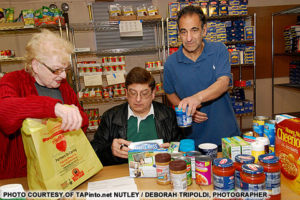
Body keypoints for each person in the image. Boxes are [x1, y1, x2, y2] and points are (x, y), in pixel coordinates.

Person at [0, 29, 89, 179]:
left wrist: (77, 117)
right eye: (56, 70)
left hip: (60, 173)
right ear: (36, 65)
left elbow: (82, 124)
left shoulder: (63, 86)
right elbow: (5, 114)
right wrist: (54, 108)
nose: (62, 75)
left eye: (65, 69)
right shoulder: (12, 81)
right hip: (20, 177)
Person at [163, 6, 239, 150]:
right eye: (183, 32)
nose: (189, 38)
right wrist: (186, 110)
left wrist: (196, 99)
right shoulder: (171, 64)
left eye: (194, 30)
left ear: (204, 30)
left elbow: (223, 82)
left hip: (226, 136)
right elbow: (169, 92)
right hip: (193, 140)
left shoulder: (218, 50)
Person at [91, 67, 180, 166]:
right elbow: (94, 152)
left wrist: (173, 150)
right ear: (126, 93)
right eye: (133, 93)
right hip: (122, 176)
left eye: (144, 93)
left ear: (153, 94)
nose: (138, 99)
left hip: (160, 173)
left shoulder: (168, 115)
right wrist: (110, 150)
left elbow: (180, 145)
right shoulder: (110, 117)